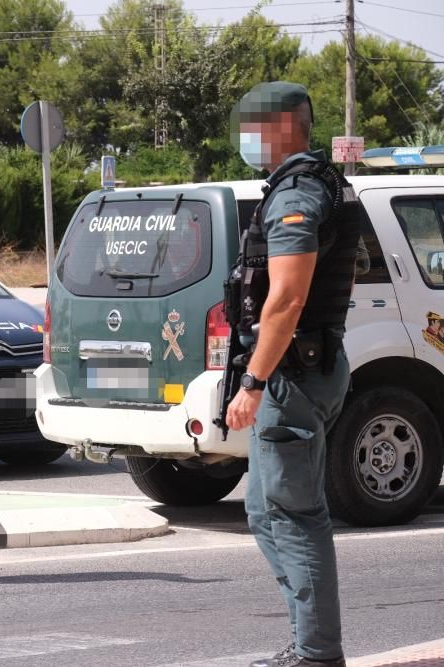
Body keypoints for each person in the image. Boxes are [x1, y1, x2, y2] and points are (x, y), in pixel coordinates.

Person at [225, 82, 360, 667]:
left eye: (253, 128)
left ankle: (317, 654)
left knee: (296, 516)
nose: (246, 140)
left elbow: (285, 300)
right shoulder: (321, 183)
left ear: (282, 127)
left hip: (292, 375)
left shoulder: (298, 193)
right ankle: (308, 638)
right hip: (304, 368)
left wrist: (253, 383)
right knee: (262, 508)